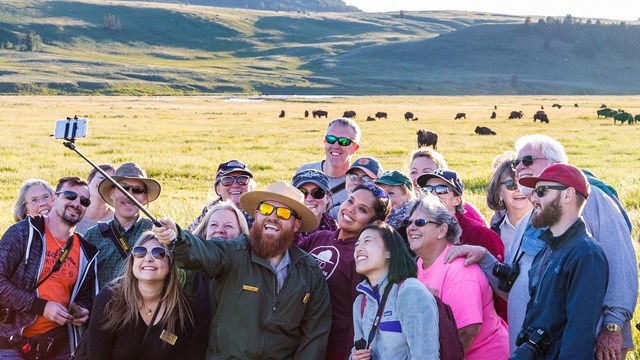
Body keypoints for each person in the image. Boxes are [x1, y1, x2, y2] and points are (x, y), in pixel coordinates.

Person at [446, 134, 637, 358]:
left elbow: (621, 265)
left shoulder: (592, 200)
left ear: (557, 164)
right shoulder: (530, 219)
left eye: (527, 160)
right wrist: (486, 259)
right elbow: (518, 287)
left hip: (580, 346)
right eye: (516, 163)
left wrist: (613, 326)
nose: (519, 168)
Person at [152, 181, 332, 359]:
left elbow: (315, 335)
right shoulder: (232, 253)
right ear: (256, 214)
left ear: (296, 225)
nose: (273, 217)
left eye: (284, 213)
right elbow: (201, 251)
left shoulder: (309, 271)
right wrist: (177, 237)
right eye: (266, 209)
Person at [510, 164, 607, 359]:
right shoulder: (547, 249)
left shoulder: (586, 255)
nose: (534, 198)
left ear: (568, 195)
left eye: (541, 191)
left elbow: (579, 336)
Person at [0, 176, 99, 360]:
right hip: (12, 340)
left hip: (57, 344)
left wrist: (82, 308)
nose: (76, 203)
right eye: (70, 196)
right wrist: (41, 307)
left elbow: (86, 295)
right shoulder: (24, 232)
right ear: (54, 199)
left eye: (84, 201)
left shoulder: (87, 252)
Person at [408, 195, 509, 360]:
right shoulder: (420, 263)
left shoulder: (459, 268)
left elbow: (466, 332)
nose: (411, 227)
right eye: (409, 222)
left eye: (419, 222)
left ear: (442, 230)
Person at [298, 182, 392, 360]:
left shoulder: (362, 256)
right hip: (299, 335)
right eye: (350, 201)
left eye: (362, 209)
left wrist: (349, 353)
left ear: (374, 222)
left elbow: (357, 315)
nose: (350, 209)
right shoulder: (320, 237)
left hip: (333, 345)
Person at [83, 231, 207, 360]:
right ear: (133, 261)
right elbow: (96, 354)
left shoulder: (184, 310)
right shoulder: (109, 299)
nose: (148, 259)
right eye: (140, 252)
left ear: (171, 263)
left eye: (158, 253)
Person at [351, 222, 439, 360]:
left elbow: (426, 356)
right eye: (357, 244)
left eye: (367, 241)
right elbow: (357, 349)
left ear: (389, 251)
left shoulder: (410, 292)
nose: (359, 248)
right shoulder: (360, 303)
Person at [84, 162, 162, 289]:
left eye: (137, 190)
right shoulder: (93, 235)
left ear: (145, 198)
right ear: (112, 193)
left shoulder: (157, 233)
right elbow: (83, 282)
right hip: (102, 307)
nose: (129, 195)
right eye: (123, 188)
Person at [298, 118, 362, 217]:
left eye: (343, 141)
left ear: (355, 148)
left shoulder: (359, 183)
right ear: (325, 142)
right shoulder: (304, 172)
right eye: (331, 139)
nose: (336, 146)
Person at [408, 148, 487, 226]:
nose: (418, 177)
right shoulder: (406, 208)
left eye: (426, 172)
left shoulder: (466, 211)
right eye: (414, 172)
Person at [187, 159, 256, 232]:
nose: (235, 185)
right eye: (227, 180)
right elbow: (189, 237)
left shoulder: (261, 213)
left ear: (250, 186)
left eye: (242, 180)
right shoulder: (209, 213)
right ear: (218, 189)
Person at [486, 153, 532, 250]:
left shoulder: (551, 229)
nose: (519, 189)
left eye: (524, 183)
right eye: (511, 184)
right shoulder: (491, 235)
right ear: (499, 193)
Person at [291, 169, 338, 240]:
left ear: (327, 197)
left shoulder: (333, 227)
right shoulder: (286, 227)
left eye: (317, 193)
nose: (309, 199)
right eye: (302, 193)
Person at [374, 170, 416, 240]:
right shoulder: (374, 223)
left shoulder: (413, 225)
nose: (384, 199)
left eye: (390, 193)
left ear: (408, 195)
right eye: (380, 193)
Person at [75, 164, 116, 235]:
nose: (104, 183)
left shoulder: (117, 220)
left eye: (110, 180)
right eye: (101, 177)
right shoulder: (72, 212)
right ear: (89, 181)